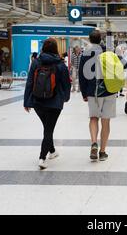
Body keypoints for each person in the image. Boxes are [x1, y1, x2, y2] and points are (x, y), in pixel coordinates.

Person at [24, 38, 71, 170]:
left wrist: (26, 101)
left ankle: (52, 151)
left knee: (47, 127)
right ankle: (42, 158)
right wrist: (65, 98)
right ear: (56, 49)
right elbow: (66, 83)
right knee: (48, 129)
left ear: (43, 48)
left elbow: (29, 82)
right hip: (55, 102)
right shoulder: (61, 64)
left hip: (38, 101)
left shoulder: (36, 62)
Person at [79, 30, 116, 162]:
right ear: (101, 39)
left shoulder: (85, 53)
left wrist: (84, 92)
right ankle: (102, 151)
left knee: (94, 118)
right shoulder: (109, 51)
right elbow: (123, 65)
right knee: (106, 121)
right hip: (109, 90)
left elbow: (81, 74)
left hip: (92, 91)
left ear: (89, 40)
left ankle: (94, 142)